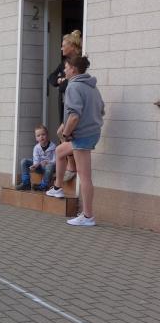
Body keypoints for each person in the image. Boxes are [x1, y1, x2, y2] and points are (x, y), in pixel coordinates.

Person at [45, 55, 105, 227]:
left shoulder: (73, 86)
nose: (64, 70)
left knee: (85, 177)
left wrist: (66, 133)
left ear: (73, 69)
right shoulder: (92, 87)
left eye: (66, 67)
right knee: (60, 151)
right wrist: (65, 126)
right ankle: (58, 188)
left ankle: (87, 216)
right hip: (91, 133)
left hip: (82, 136)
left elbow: (75, 116)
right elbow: (100, 109)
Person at [48, 30, 82, 181]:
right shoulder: (64, 63)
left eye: (64, 45)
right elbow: (51, 78)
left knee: (64, 134)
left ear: (72, 46)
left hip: (73, 107)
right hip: (63, 104)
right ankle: (71, 166)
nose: (61, 48)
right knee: (63, 134)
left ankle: (72, 167)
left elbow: (68, 85)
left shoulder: (79, 62)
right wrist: (60, 79)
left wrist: (63, 81)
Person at [16, 124, 56, 191]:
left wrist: (48, 162)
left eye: (43, 134)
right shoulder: (36, 148)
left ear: (47, 135)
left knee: (50, 166)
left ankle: (43, 185)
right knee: (24, 161)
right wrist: (35, 165)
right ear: (36, 138)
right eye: (38, 135)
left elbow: (56, 160)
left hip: (49, 169)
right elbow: (36, 160)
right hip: (39, 167)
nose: (41, 137)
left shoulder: (53, 147)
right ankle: (26, 183)